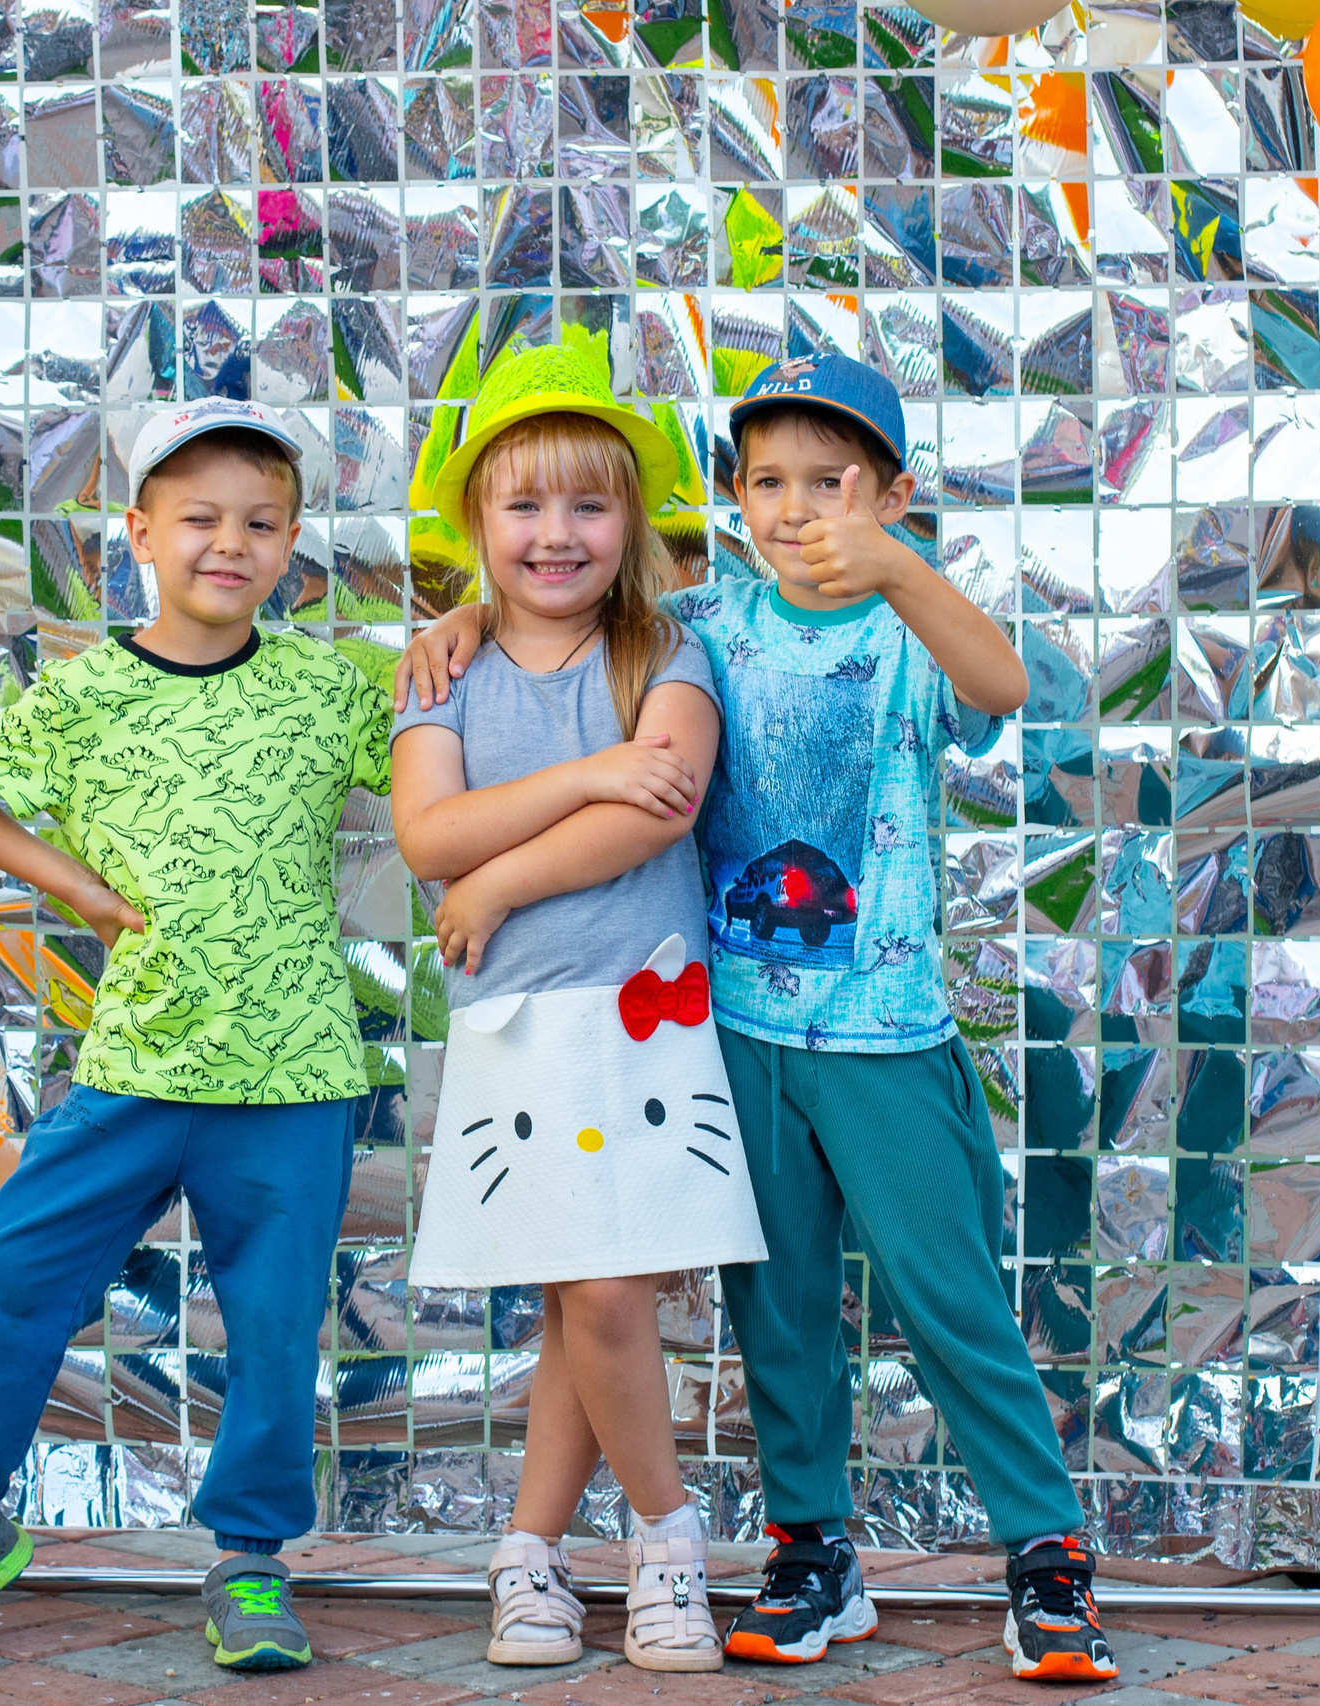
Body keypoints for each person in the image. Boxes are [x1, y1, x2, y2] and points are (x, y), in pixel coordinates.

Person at [398, 352, 1116, 1685]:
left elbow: (1003, 688)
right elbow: (566, 618)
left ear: (896, 492)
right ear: (730, 496)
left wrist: (897, 565)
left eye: (835, 483)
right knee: (777, 1308)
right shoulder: (703, 625)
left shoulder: (913, 619)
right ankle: (811, 1547)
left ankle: (1048, 1552)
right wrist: (459, 622)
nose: (800, 509)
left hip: (886, 1030)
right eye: (770, 481)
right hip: (726, 1028)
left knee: (945, 1294)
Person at [0, 398, 390, 1676]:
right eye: (199, 518)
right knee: (14, 1274)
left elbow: (432, 764)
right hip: (138, 1063)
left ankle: (250, 1560)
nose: (229, 543)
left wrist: (464, 632)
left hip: (292, 1067)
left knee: (270, 1324)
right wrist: (79, 889)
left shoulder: (328, 686)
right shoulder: (83, 696)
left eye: (260, 522)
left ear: (293, 541)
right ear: (139, 531)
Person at [392, 343, 767, 1674]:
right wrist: (578, 780)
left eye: (589, 506)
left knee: (600, 1296)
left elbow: (657, 803)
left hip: (643, 1024)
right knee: (582, 1297)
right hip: (521, 1035)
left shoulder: (670, 648)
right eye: (525, 506)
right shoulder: (442, 668)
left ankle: (564, 1549)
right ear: (476, 521)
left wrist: (504, 872)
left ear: (633, 521)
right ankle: (629, 1543)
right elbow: (429, 835)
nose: (557, 535)